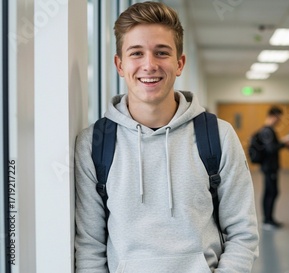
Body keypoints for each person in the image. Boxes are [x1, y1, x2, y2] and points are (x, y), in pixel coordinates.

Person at [74, 2, 259, 272]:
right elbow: (90, 247)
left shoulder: (218, 136)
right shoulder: (94, 144)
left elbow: (243, 234)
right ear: (119, 64)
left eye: (161, 53)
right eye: (136, 53)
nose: (149, 65)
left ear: (179, 63)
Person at [259, 106, 286, 230]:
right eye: (279, 117)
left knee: (271, 192)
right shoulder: (267, 131)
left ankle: (270, 218)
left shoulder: (268, 130)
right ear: (274, 116)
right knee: (271, 192)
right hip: (269, 167)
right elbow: (271, 148)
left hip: (270, 167)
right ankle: (267, 220)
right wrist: (284, 143)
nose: (279, 120)